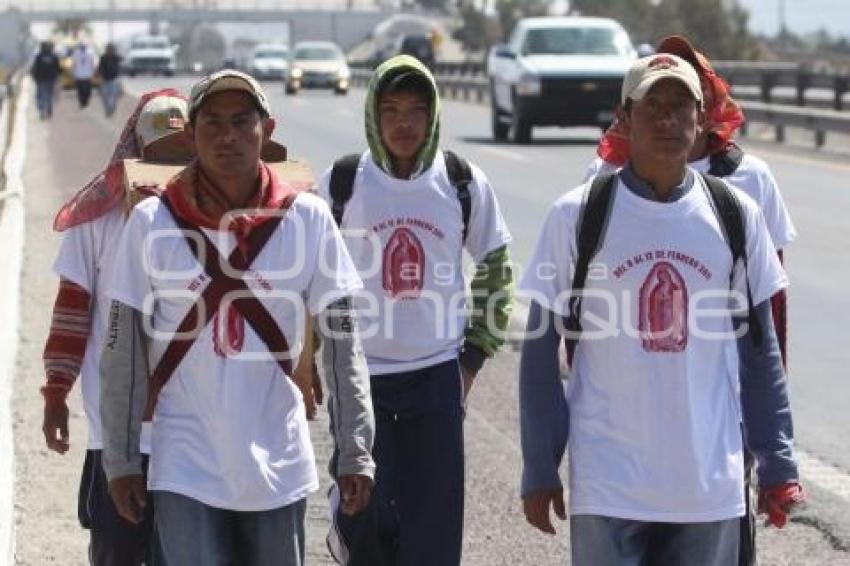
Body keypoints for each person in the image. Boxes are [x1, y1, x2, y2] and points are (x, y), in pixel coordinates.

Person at [519, 53, 804, 566]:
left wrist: (777, 461)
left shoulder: (737, 215)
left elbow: (761, 352)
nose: (668, 120)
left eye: (681, 107)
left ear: (702, 118)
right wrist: (540, 466)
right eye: (653, 107)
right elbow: (539, 353)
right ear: (624, 118)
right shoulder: (577, 215)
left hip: (706, 486)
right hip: (608, 485)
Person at [100, 70, 375, 566]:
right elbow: (122, 349)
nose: (227, 136)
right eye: (213, 123)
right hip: (183, 461)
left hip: (281, 463)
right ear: (190, 134)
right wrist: (119, 459)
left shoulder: (309, 219)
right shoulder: (150, 223)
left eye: (241, 122)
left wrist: (355, 446)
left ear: (266, 131)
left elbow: (342, 342)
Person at [319, 55, 514, 566]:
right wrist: (311, 358)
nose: (403, 123)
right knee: (362, 529)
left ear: (432, 116)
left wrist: (468, 364)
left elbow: (496, 269)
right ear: (372, 116)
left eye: (415, 110)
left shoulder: (461, 182)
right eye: (390, 110)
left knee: (432, 537)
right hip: (361, 384)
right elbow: (310, 279)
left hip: (436, 382)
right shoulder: (342, 184)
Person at [42, 88, 191, 565]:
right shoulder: (99, 219)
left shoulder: (216, 214)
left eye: (183, 152)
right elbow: (71, 312)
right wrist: (54, 391)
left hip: (195, 433)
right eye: (161, 154)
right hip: (118, 432)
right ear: (138, 150)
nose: (172, 166)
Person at [30, 40, 61, 119]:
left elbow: (34, 68)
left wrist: (34, 77)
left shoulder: (39, 56)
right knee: (49, 95)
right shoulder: (54, 56)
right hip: (50, 79)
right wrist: (57, 78)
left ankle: (43, 110)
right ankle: (48, 109)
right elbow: (58, 69)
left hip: (41, 79)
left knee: (42, 95)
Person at [98, 43, 122, 117]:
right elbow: (100, 67)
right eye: (109, 49)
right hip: (105, 80)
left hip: (114, 80)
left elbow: (121, 60)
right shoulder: (103, 57)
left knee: (114, 96)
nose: (110, 50)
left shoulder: (116, 57)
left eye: (111, 49)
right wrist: (100, 75)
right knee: (105, 97)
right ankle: (108, 110)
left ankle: (112, 109)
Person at [72, 42, 97, 108]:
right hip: (79, 75)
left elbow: (93, 62)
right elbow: (74, 63)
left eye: (84, 46)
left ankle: (85, 101)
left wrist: (93, 71)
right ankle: (82, 102)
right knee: (80, 90)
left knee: (87, 91)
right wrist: (73, 72)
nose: (83, 47)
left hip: (87, 75)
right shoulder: (76, 53)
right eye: (81, 46)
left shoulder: (90, 53)